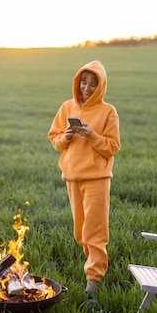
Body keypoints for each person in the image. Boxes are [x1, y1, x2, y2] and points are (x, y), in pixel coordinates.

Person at [48, 60, 121, 300]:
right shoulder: (67, 107)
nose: (88, 88)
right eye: (84, 82)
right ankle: (93, 266)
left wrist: (92, 135)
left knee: (95, 229)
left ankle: (94, 279)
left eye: (93, 83)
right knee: (80, 231)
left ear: (100, 86)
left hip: (97, 178)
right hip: (72, 176)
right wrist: (66, 137)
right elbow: (55, 138)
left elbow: (112, 147)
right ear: (78, 82)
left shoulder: (108, 111)